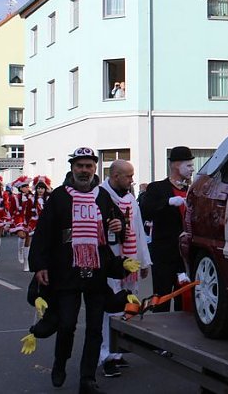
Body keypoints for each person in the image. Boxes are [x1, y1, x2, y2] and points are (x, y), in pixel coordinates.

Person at [29, 146, 125, 394]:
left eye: (89, 166)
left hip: (96, 273)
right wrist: (40, 265)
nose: (84, 171)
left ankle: (87, 379)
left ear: (95, 169)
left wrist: (118, 225)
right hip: (66, 271)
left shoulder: (103, 197)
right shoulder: (59, 196)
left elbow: (117, 224)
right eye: (80, 166)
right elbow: (43, 233)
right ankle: (60, 363)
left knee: (94, 328)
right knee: (67, 324)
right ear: (72, 168)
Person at [98, 159, 151, 378]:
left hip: (129, 261)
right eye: (128, 176)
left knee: (125, 305)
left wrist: (144, 261)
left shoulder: (130, 198)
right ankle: (105, 356)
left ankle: (117, 352)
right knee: (108, 309)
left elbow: (138, 231)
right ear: (116, 176)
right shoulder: (98, 195)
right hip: (108, 262)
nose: (132, 180)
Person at [140, 146, 194, 312]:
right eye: (189, 165)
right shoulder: (157, 188)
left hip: (186, 254)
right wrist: (167, 203)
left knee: (183, 296)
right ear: (177, 165)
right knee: (161, 295)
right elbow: (145, 210)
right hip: (164, 252)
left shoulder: (192, 190)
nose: (192, 169)